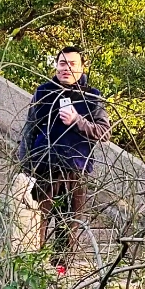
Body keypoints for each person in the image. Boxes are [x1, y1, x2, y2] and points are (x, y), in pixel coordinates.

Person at [18, 45, 111, 267]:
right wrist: (24, 166)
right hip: (44, 166)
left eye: (72, 64)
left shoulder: (92, 96)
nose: (66, 68)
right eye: (62, 63)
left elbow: (104, 132)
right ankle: (32, 269)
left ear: (81, 68)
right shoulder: (44, 91)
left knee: (69, 226)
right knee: (36, 221)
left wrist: (77, 121)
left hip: (76, 169)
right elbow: (30, 129)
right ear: (56, 65)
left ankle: (60, 272)